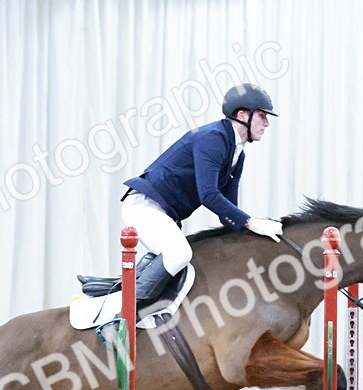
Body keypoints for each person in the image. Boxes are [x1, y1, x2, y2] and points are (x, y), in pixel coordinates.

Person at [100, 83, 284, 307]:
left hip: (163, 212)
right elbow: (208, 195)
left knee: (182, 257)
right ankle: (121, 314)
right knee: (179, 254)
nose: (266, 123)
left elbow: (227, 210)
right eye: (262, 116)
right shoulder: (213, 138)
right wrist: (252, 222)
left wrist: (251, 235)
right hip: (144, 206)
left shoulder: (237, 153)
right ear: (242, 115)